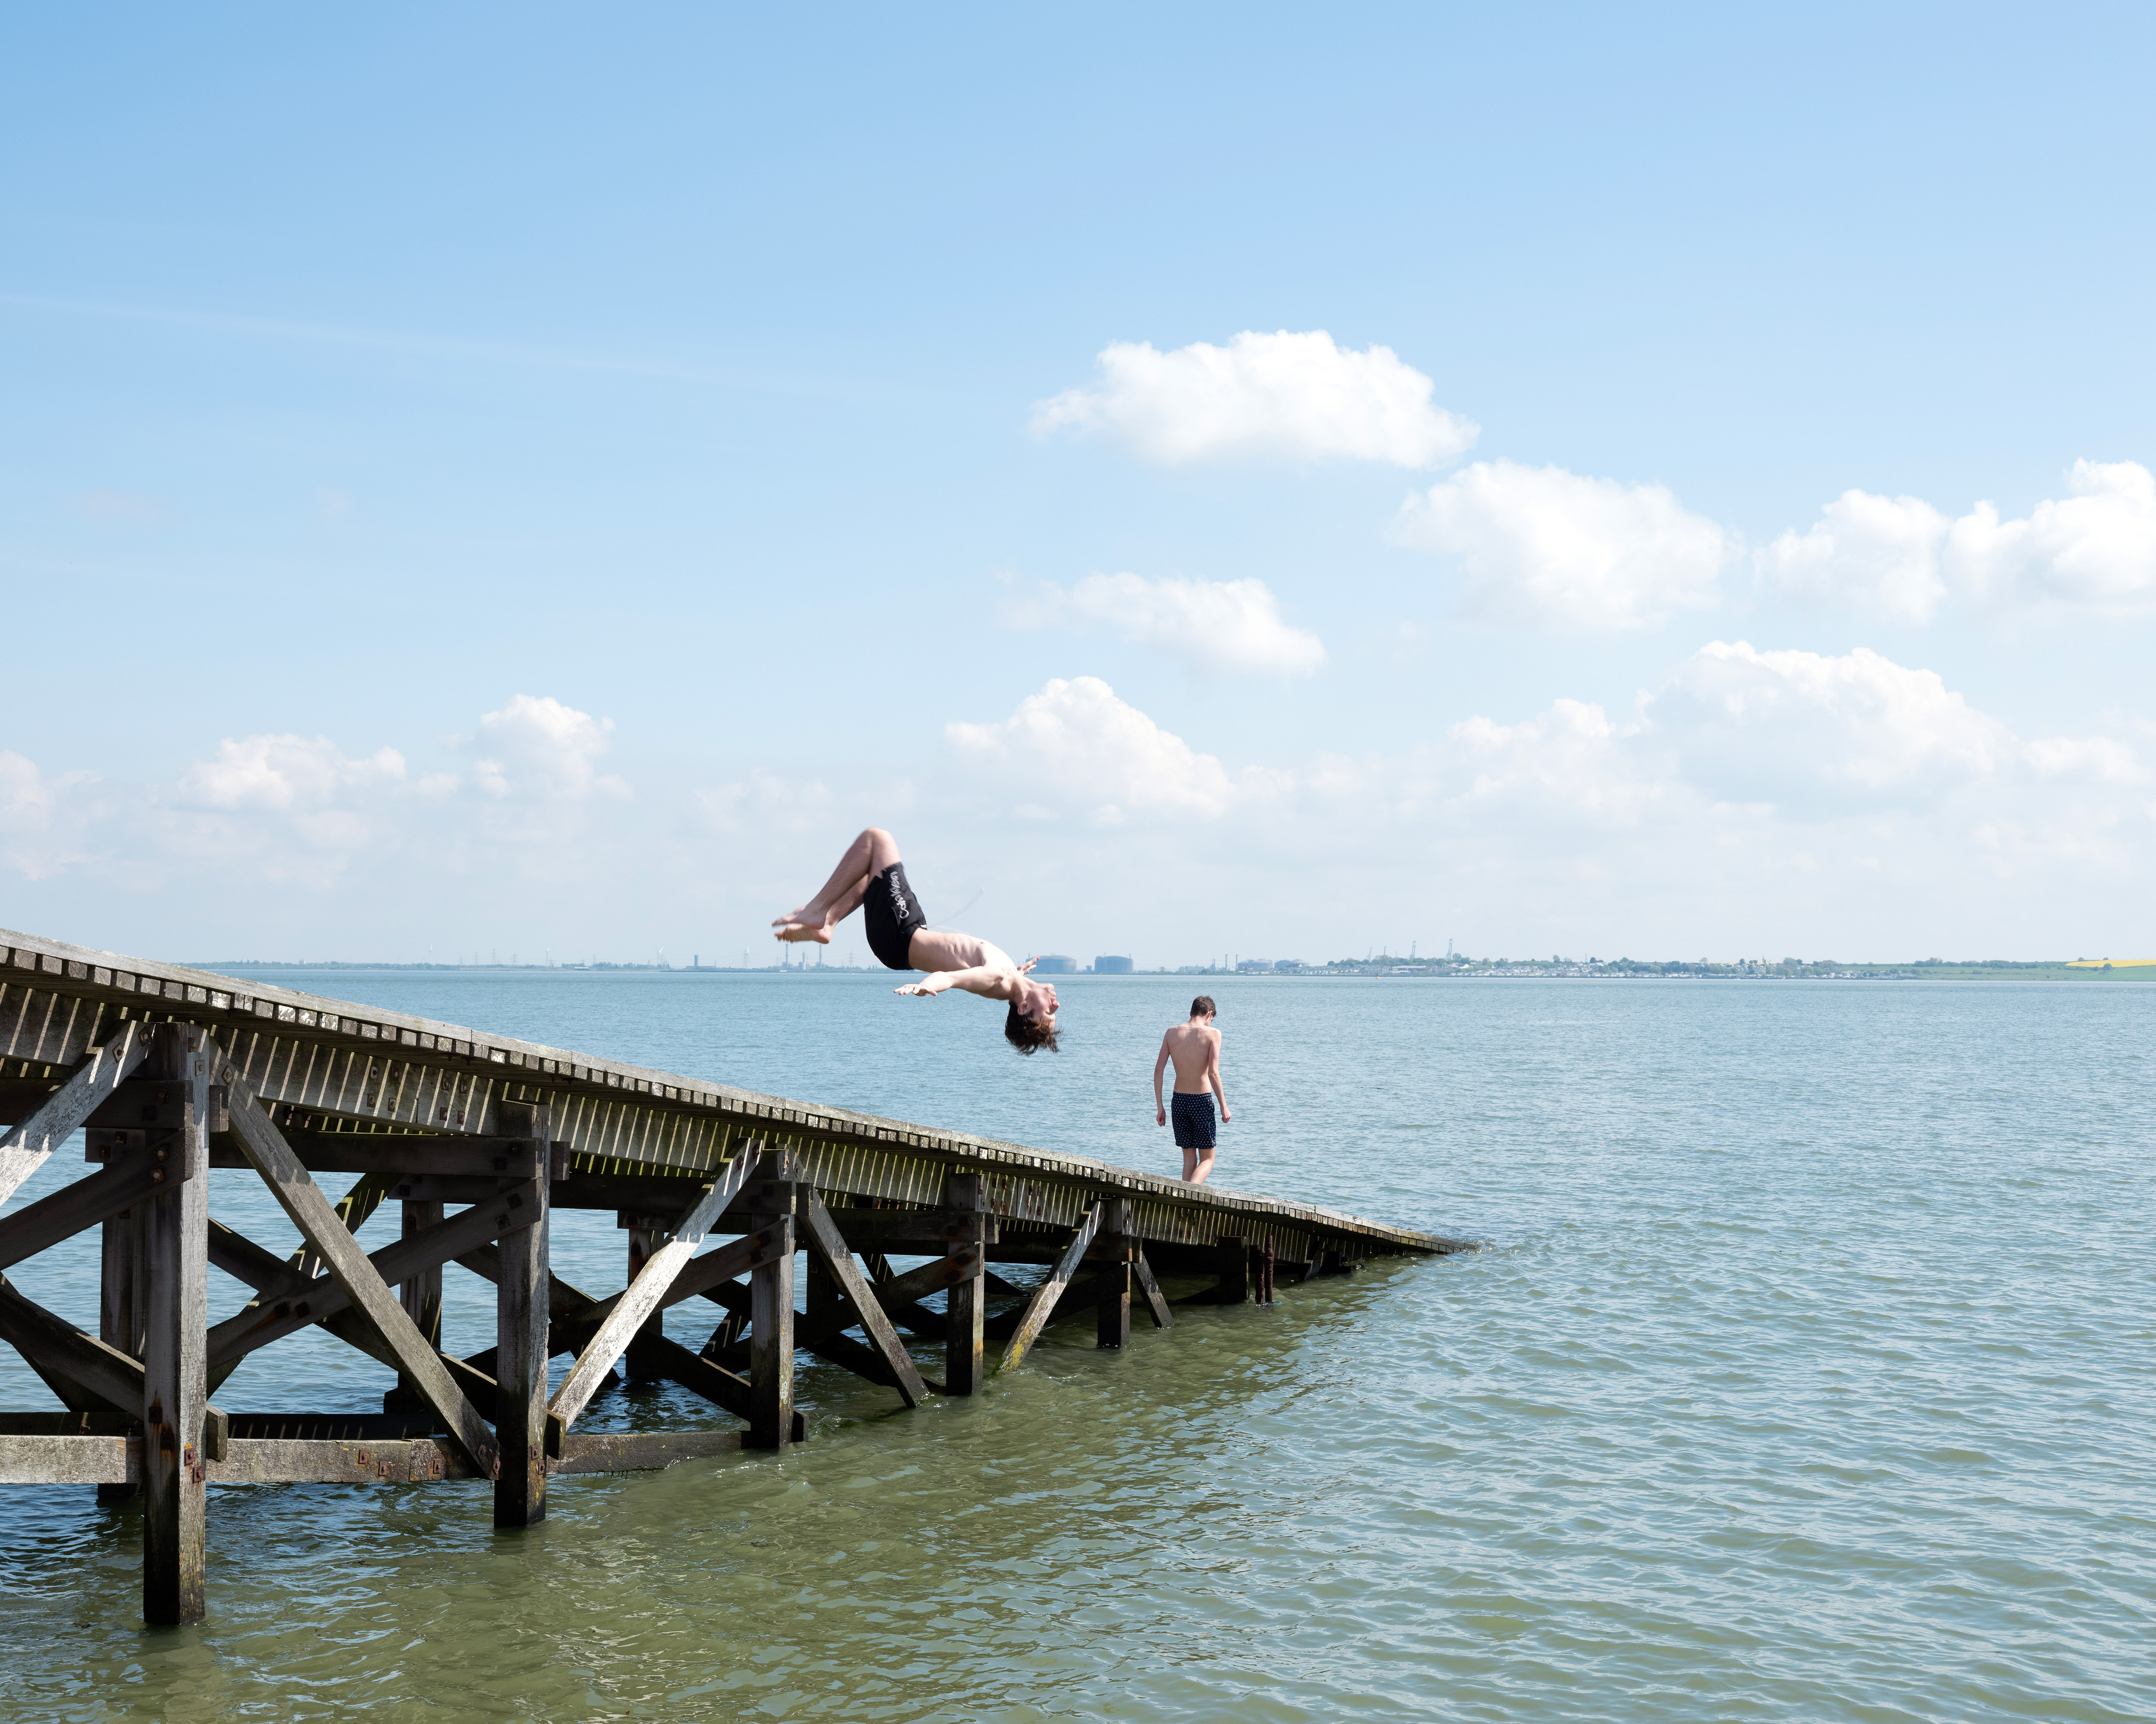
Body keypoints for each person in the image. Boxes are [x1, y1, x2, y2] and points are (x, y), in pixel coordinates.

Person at [772, 827, 1061, 1053]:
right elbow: (993, 980)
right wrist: (1020, 974)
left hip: (900, 933)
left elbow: (950, 979)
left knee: (876, 839)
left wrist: (925, 987)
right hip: (903, 935)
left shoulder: (997, 978)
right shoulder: (1007, 982)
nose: (1055, 1007)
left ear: (1023, 1008)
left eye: (1047, 1014)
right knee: (872, 872)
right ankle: (829, 923)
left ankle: (818, 910)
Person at [1154, 996, 1230, 1182]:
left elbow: (1158, 1071)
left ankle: (1182, 1205)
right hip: (1201, 1101)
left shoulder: (1171, 1033)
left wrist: (1160, 1107)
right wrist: (1223, 1106)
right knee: (1208, 1159)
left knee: (1189, 1159)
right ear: (1209, 1014)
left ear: (1191, 1013)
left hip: (1178, 1101)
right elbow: (1213, 1074)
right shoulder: (1213, 1034)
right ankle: (1191, 1194)